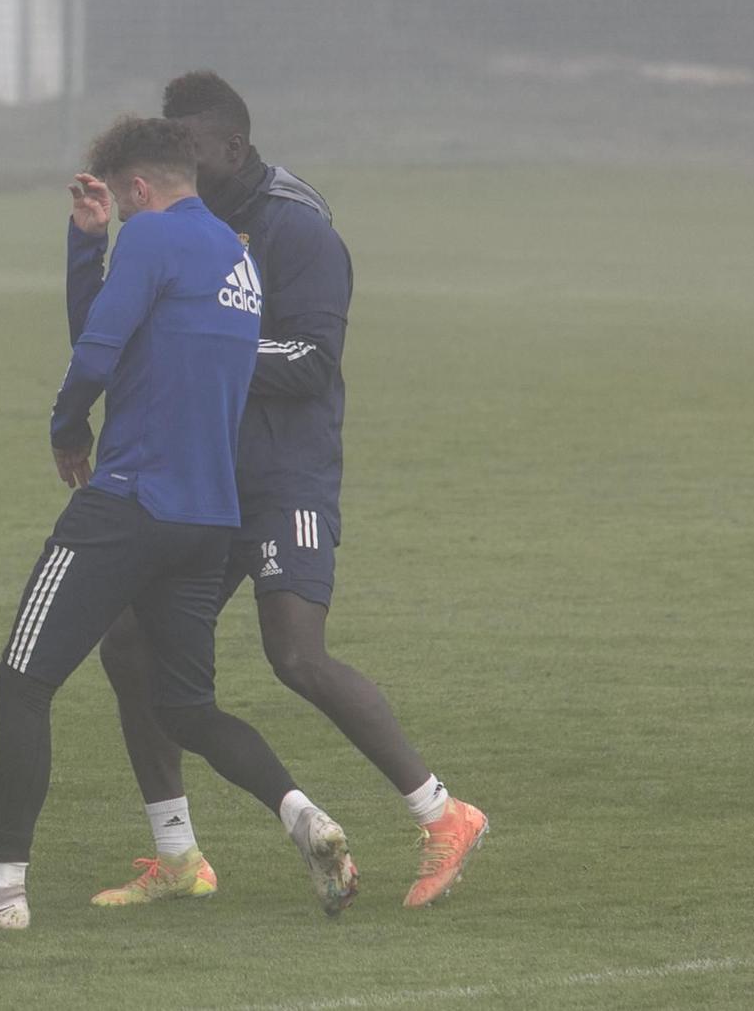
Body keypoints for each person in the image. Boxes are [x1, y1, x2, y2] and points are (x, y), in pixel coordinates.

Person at [0, 116, 358, 932]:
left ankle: (2, 890)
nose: (120, 216)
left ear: (138, 188)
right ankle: (303, 814)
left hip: (129, 503)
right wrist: (89, 247)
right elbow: (141, 341)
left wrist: (64, 428)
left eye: (119, 204)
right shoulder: (237, 256)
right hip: (208, 518)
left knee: (21, 681)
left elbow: (94, 353)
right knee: (187, 706)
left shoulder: (151, 241)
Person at [89, 72, 487, 910]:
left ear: (232, 149)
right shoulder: (185, 222)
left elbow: (311, 362)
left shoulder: (297, 228)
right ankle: (177, 856)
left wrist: (205, 347)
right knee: (129, 640)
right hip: (206, 475)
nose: (176, 168)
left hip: (284, 473)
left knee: (296, 654)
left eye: (190, 151)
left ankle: (445, 813)